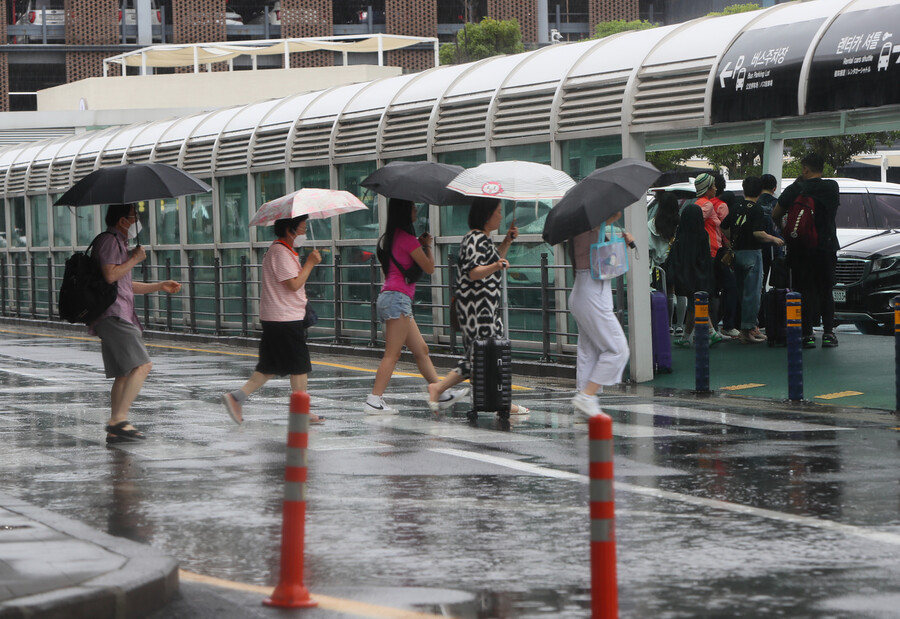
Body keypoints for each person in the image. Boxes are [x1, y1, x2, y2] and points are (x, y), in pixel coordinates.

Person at [426, 198, 528, 415]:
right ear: (487, 214)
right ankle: (440, 387)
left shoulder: (482, 239)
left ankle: (500, 402)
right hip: (477, 310)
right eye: (498, 212)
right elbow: (474, 271)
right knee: (481, 355)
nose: (501, 216)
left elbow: (490, 261)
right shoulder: (474, 238)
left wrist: (507, 242)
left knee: (487, 355)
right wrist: (496, 265)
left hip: (485, 309)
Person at [365, 199, 466, 414]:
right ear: (404, 211)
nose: (415, 211)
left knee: (421, 349)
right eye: (412, 207)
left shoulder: (391, 239)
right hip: (397, 299)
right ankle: (374, 400)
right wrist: (427, 246)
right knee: (392, 354)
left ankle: (441, 392)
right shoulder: (407, 239)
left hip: (392, 297)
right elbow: (429, 268)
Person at [92, 203, 182, 444]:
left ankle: (115, 428)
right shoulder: (110, 241)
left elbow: (123, 285)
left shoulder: (117, 242)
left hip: (114, 314)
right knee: (143, 366)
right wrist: (135, 259)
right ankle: (119, 420)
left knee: (123, 374)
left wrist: (159, 285)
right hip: (115, 315)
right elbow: (111, 274)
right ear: (123, 220)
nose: (136, 221)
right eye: (134, 217)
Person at [222, 215, 323, 423]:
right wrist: (310, 263)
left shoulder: (281, 251)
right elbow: (293, 285)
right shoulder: (280, 252)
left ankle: (236, 398)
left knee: (270, 367)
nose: (304, 233)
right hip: (284, 318)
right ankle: (301, 411)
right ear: (290, 231)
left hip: (277, 317)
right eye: (302, 229)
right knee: (299, 366)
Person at [773, 153, 840, 348]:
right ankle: (828, 334)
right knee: (826, 290)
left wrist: (785, 229)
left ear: (805, 169)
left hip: (800, 247)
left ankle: (807, 335)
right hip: (826, 246)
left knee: (803, 291)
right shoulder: (831, 187)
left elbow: (776, 213)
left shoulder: (796, 188)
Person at [569, 211, 633, 418]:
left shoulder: (583, 231)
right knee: (617, 349)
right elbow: (612, 216)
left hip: (584, 292)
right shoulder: (590, 226)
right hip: (591, 294)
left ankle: (584, 403)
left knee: (589, 351)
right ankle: (587, 397)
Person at [721, 177, 785, 344]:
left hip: (736, 254)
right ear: (759, 191)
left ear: (744, 190)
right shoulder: (756, 209)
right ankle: (747, 330)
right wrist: (774, 239)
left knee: (742, 293)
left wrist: (732, 239)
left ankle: (751, 327)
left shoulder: (735, 206)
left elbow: (723, 226)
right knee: (753, 294)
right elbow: (758, 233)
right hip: (752, 254)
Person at [665, 203, 713, 347]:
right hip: (701, 275)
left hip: (685, 276)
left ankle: (700, 334)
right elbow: (707, 256)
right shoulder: (703, 235)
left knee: (694, 305)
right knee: (696, 305)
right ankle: (697, 335)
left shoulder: (681, 235)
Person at [694, 173, 730, 343]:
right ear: (707, 188)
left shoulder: (696, 203)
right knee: (711, 291)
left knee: (704, 291)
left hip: (706, 252)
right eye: (713, 186)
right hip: (712, 252)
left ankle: (703, 330)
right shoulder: (707, 205)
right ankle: (712, 329)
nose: (716, 188)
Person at [648, 191, 680, 334]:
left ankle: (666, 324)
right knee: (678, 292)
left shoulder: (653, 224)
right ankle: (679, 325)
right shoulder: (679, 223)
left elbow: (648, 246)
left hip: (658, 265)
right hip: (675, 261)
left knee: (663, 292)